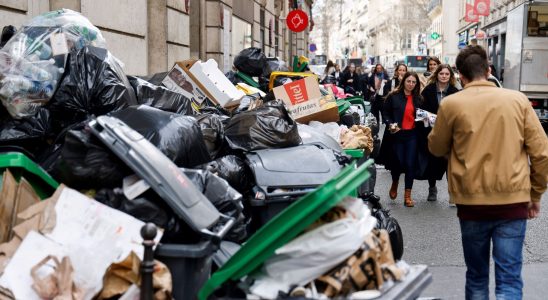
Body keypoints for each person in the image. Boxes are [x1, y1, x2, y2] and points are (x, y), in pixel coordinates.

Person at [428, 45, 548, 299]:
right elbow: (541, 153)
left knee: (477, 277)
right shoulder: (518, 101)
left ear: (460, 75)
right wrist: (535, 194)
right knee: (509, 280)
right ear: (488, 70)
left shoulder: (451, 104)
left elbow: (436, 147)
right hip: (513, 200)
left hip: (472, 203)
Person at [418, 64, 460, 201]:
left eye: (447, 74)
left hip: (450, 134)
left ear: (450, 76)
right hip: (431, 132)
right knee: (432, 161)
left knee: (450, 164)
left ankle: (452, 193)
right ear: (437, 75)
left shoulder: (455, 92)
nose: (444, 76)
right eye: (441, 74)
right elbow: (420, 111)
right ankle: (432, 188)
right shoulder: (428, 90)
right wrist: (429, 118)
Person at [382, 71, 423, 207]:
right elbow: (385, 112)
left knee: (410, 164)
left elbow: (422, 116)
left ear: (416, 84)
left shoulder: (419, 98)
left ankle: (407, 196)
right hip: (397, 134)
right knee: (398, 163)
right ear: (403, 81)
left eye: (413, 82)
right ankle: (395, 182)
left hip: (412, 135)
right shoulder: (393, 96)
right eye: (408, 81)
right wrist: (390, 123)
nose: (411, 84)